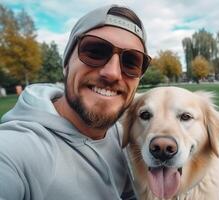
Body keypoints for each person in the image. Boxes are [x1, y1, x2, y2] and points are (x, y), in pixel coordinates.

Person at [0, 4, 151, 200]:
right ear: (66, 63)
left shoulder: (123, 136)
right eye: (95, 51)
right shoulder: (15, 151)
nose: (113, 73)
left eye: (131, 61)